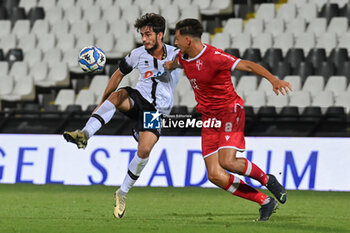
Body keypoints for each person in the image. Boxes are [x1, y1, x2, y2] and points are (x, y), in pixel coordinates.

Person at [164, 18, 292, 221]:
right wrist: (164, 66)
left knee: (228, 162)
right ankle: (265, 202)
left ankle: (267, 179)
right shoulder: (183, 57)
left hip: (229, 110)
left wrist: (273, 80)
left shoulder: (214, 57)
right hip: (208, 118)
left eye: (177, 38)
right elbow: (174, 63)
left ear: (188, 40)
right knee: (214, 175)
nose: (175, 41)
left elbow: (248, 66)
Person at [63, 13, 181, 219]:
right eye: (142, 35)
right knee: (120, 94)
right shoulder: (137, 54)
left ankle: (122, 192)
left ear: (160, 35)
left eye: (148, 34)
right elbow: (118, 74)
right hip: (139, 98)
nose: (144, 39)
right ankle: (84, 134)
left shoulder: (175, 54)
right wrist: (102, 104)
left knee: (144, 150)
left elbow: (187, 66)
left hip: (156, 111)